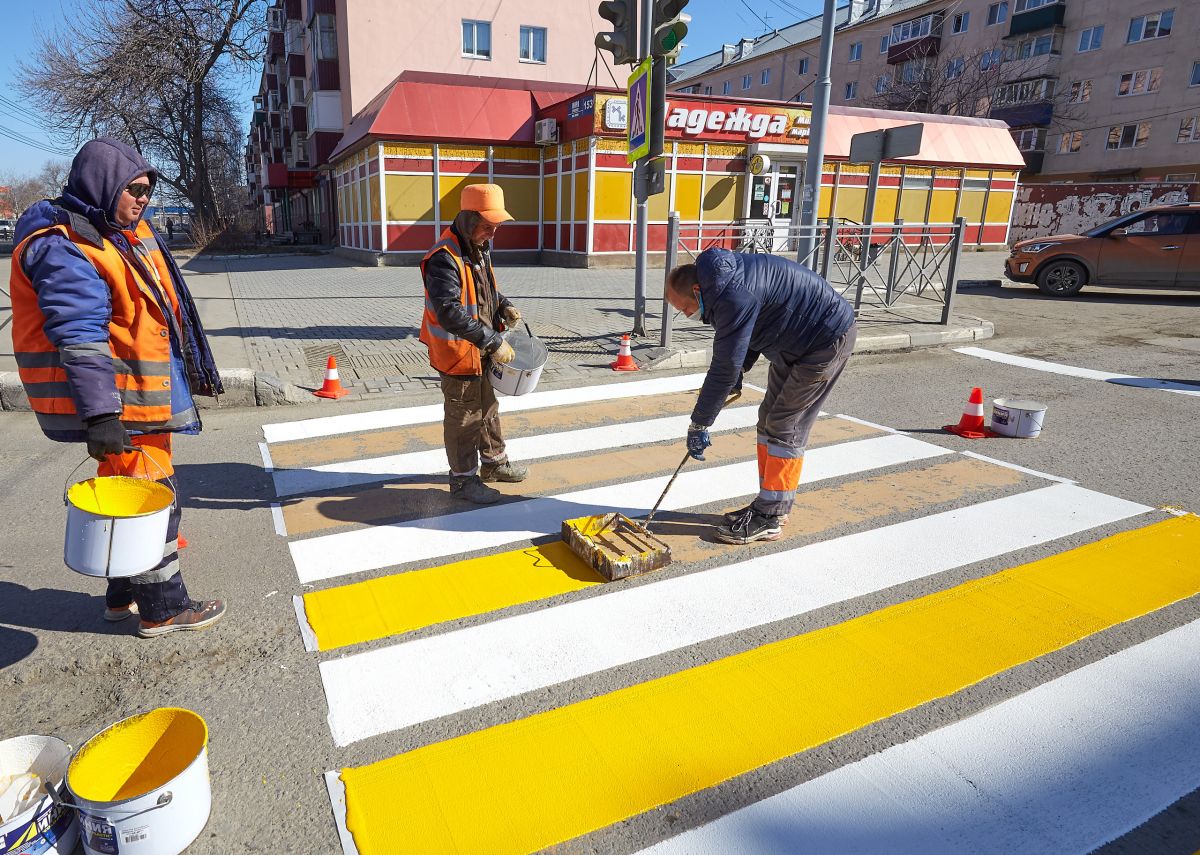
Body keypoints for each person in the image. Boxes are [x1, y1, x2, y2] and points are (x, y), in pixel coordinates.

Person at [9, 137, 227, 638]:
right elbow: (81, 337)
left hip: (138, 394)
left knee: (129, 492)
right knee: (152, 499)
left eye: (147, 190)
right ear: (102, 184)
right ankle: (164, 608)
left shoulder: (113, 230)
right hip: (119, 400)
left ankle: (122, 593)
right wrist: (102, 415)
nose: (143, 200)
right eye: (134, 189)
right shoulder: (64, 245)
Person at [665, 248, 857, 545]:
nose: (687, 314)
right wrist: (739, 370)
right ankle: (767, 503)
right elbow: (747, 334)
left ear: (696, 288)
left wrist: (700, 423)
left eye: (686, 308)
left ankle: (772, 515)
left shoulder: (731, 294)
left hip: (824, 341)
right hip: (791, 341)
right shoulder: (723, 285)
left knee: (785, 426)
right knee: (767, 418)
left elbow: (724, 365)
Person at [420, 184, 529, 504]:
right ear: (468, 219)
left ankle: (493, 463)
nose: (493, 233)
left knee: (488, 407)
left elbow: (485, 291)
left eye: (497, 227)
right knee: (464, 416)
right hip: (457, 352)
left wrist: (503, 305)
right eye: (487, 226)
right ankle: (463, 481)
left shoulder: (478, 248)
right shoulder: (443, 258)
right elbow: (448, 311)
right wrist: (493, 341)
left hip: (479, 349)